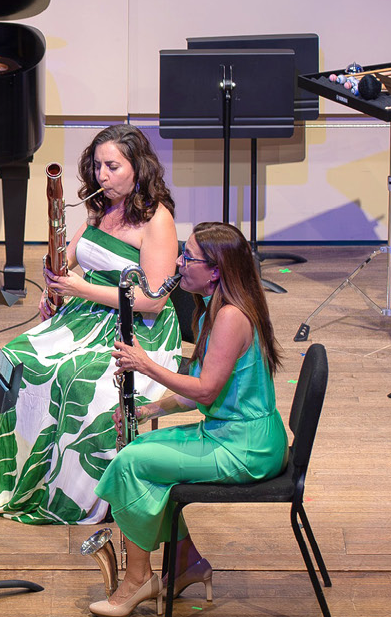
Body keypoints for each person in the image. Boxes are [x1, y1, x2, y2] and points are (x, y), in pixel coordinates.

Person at [0, 124, 183, 525]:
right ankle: (21, 477)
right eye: (97, 166)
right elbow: (70, 259)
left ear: (138, 168)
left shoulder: (156, 219)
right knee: (18, 360)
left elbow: (154, 300)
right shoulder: (100, 205)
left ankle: (72, 493)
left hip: (137, 330)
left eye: (113, 166)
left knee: (79, 379)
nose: (102, 176)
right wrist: (54, 285)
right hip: (85, 315)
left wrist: (79, 289)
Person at [90, 222, 288, 616]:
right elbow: (196, 389)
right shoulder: (211, 312)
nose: (179, 264)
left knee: (132, 462)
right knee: (141, 448)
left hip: (246, 447)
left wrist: (144, 364)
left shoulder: (231, 316)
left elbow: (205, 391)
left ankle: (139, 580)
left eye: (188, 257)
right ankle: (185, 564)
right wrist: (151, 410)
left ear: (215, 270)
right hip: (232, 433)